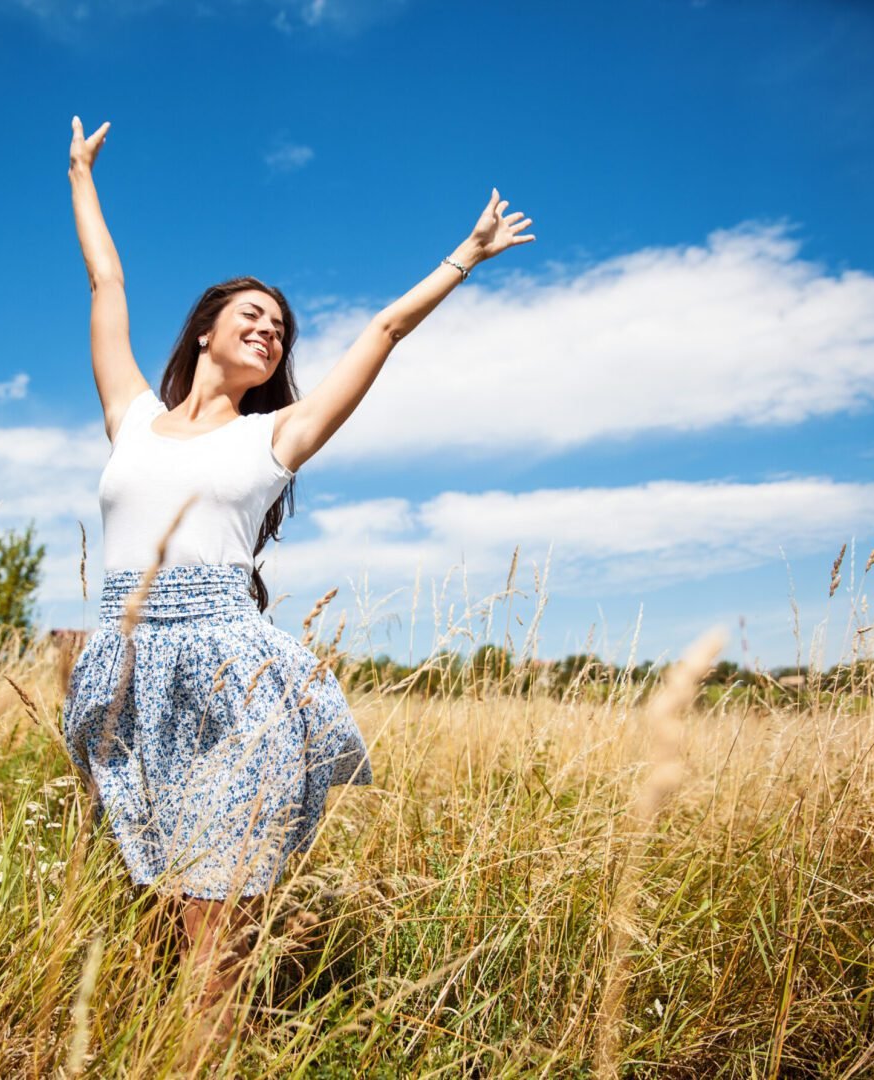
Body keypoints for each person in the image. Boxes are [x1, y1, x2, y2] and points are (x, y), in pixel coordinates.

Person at [61, 114, 535, 1035]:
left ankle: (204, 1056)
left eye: (280, 329)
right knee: (152, 906)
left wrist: (464, 257)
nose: (270, 334)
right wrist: (79, 175)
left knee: (213, 927)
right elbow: (106, 279)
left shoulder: (273, 437)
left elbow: (385, 330)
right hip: (121, 670)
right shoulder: (128, 415)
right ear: (205, 332)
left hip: (229, 677)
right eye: (252, 317)